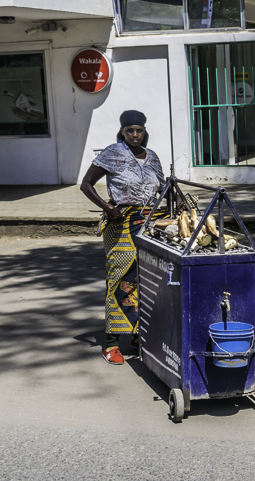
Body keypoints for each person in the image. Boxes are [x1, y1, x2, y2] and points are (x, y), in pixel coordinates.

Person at [80, 110, 168, 365]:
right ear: (122, 132)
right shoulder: (112, 153)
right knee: (120, 279)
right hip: (121, 224)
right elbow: (86, 184)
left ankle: (138, 335)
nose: (135, 135)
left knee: (147, 278)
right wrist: (108, 208)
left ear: (144, 131)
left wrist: (177, 200)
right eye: (130, 130)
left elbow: (163, 188)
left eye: (139, 130)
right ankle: (111, 343)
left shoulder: (152, 157)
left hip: (149, 224)